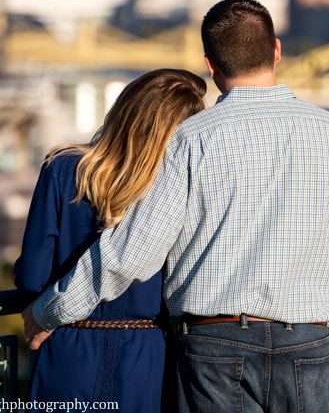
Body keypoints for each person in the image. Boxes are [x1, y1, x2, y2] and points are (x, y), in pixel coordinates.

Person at [23, 0, 329, 413]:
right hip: (309, 340)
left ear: (210, 65)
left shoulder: (192, 139)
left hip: (211, 346)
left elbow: (132, 254)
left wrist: (49, 312)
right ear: (276, 50)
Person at [14, 68, 207, 411]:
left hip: (66, 341)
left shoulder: (62, 167)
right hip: (147, 352)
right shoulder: (176, 187)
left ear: (126, 109)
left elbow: (32, 275)